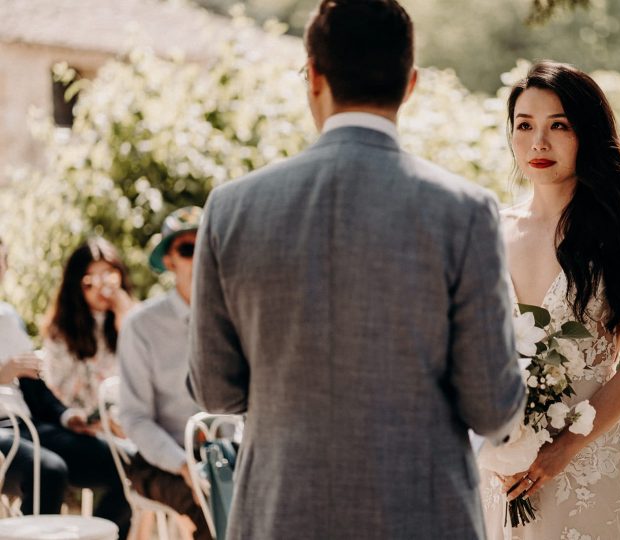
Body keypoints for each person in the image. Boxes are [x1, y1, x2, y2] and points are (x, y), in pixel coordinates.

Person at [187, 1, 526, 538]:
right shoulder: (464, 211)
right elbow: (492, 409)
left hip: (280, 511)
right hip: (423, 514)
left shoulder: (232, 208)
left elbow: (215, 391)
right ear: (410, 84)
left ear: (314, 76)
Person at [477, 60, 620, 539]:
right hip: (496, 469)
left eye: (558, 125)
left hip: (585, 463)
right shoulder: (487, 231)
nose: (538, 142)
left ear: (587, 133)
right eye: (525, 126)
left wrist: (563, 448)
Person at [0, 235, 131, 538]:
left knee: (126, 466)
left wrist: (68, 416)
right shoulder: (62, 330)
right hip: (6, 433)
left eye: (2, 262)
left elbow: (36, 392)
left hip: (30, 427)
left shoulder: (7, 318)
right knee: (49, 470)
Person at [117, 206, 209, 540]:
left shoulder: (234, 314)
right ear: (169, 261)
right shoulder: (142, 325)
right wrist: (183, 465)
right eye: (187, 249)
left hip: (223, 454)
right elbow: (135, 418)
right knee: (213, 505)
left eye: (206, 245)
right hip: (161, 460)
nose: (200, 256)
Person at [42, 237, 135, 417]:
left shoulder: (136, 318)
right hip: (84, 428)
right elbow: (60, 394)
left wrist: (126, 324)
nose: (101, 288)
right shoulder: (61, 332)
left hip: (132, 423)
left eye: (110, 277)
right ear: (76, 286)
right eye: (89, 282)